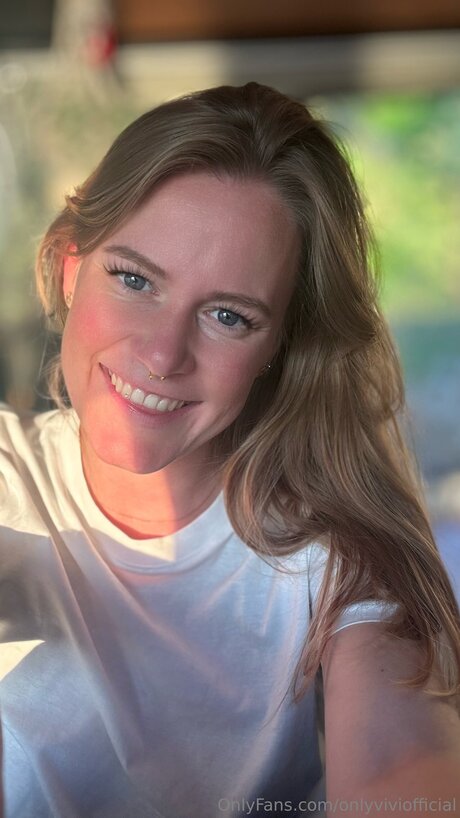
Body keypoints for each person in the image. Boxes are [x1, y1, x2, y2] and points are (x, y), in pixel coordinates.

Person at [0, 82, 459, 818]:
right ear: (71, 268)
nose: (162, 354)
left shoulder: (334, 559)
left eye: (227, 316)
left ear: (282, 348)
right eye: (134, 279)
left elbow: (400, 767)